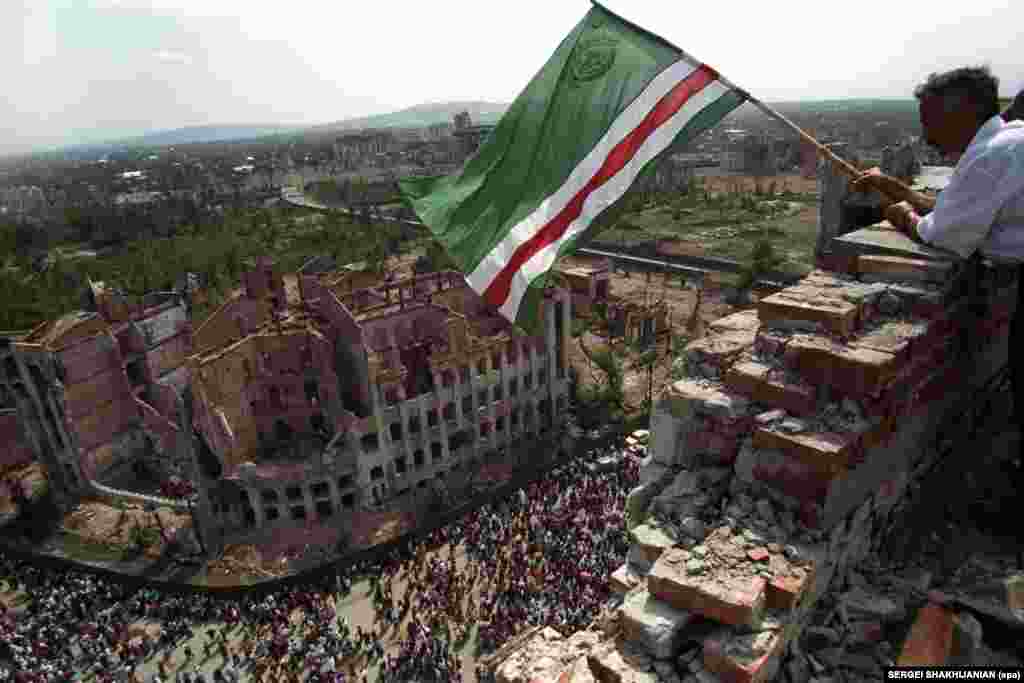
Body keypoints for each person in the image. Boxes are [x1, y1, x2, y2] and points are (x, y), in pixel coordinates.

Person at [852, 66, 1024, 545]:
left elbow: (944, 234)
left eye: (929, 117)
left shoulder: (994, 155)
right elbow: (958, 206)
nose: (924, 131)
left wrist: (900, 215)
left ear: (961, 112)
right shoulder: (1007, 144)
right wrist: (896, 187)